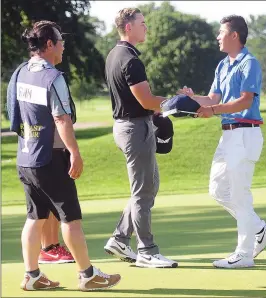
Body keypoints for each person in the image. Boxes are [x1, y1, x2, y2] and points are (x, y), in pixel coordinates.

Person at [7, 20, 120, 291]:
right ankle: (88, 275)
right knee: (71, 218)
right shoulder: (53, 77)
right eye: (60, 41)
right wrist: (75, 153)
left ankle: (32, 276)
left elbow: (14, 115)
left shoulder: (20, 72)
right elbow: (62, 119)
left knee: (35, 217)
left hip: (26, 157)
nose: (63, 45)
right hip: (51, 157)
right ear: (49, 45)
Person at [178, 15, 266, 269]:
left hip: (245, 133)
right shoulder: (223, 65)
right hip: (229, 135)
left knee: (240, 194)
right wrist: (193, 99)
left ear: (234, 35)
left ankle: (244, 254)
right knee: (218, 190)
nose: (218, 36)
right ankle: (259, 228)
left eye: (221, 32)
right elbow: (212, 98)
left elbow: (245, 101)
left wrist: (214, 110)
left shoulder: (250, 63)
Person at [103, 8, 178, 268]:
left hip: (129, 126)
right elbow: (146, 100)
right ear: (128, 27)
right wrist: (176, 101)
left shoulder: (115, 54)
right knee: (143, 192)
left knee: (149, 186)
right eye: (142, 23)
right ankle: (147, 250)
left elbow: (142, 100)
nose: (146, 27)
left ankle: (120, 238)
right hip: (135, 129)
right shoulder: (130, 59)